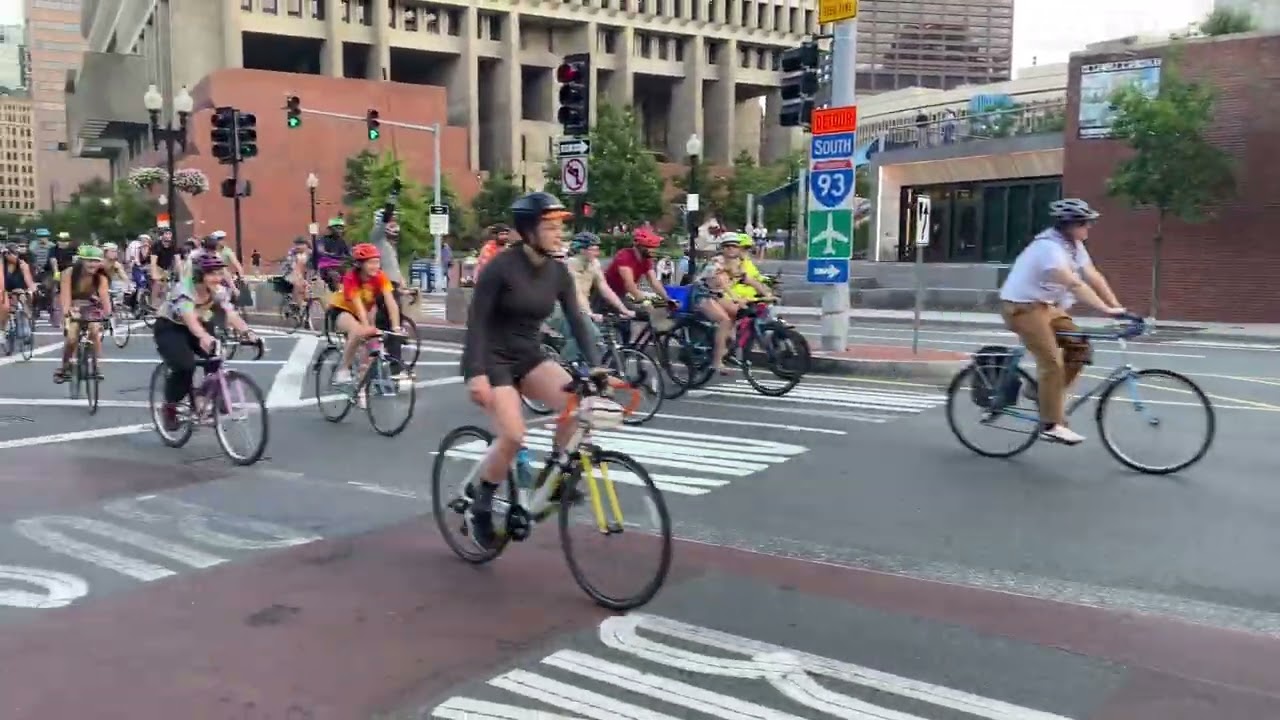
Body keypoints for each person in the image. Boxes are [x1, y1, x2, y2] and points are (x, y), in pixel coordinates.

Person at [462, 192, 605, 549]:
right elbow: (476, 322)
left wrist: (598, 367)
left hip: (528, 355)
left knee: (579, 401)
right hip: (493, 360)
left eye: (560, 227)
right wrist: (475, 373)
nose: (559, 234)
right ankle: (481, 505)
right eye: (550, 227)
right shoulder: (500, 268)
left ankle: (552, 479)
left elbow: (577, 318)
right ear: (528, 230)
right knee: (513, 435)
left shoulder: (557, 271)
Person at [998, 198, 1126, 446]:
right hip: (1021, 307)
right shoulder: (1048, 248)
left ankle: (1043, 394)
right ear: (1070, 225)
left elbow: (1093, 275)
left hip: (1046, 306)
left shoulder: (1074, 245)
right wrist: (1106, 310)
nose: (1089, 228)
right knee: (1052, 363)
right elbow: (1075, 284)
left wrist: (1117, 306)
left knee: (1080, 347)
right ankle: (1052, 424)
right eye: (1086, 223)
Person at [152, 253, 258, 431]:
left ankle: (206, 394)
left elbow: (230, 314)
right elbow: (189, 318)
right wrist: (203, 337)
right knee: (185, 366)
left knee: (216, 355)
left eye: (219, 273)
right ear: (199, 275)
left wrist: (249, 333)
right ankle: (169, 407)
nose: (218, 278)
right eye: (212, 274)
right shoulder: (184, 290)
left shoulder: (219, 290)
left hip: (199, 323)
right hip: (171, 326)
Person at [549, 231, 633, 363]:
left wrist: (623, 309)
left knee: (596, 336)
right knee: (588, 334)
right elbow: (577, 292)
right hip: (559, 308)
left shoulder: (594, 264)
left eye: (597, 250)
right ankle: (564, 367)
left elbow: (604, 288)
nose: (597, 253)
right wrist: (589, 313)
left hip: (578, 308)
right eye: (593, 250)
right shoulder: (569, 264)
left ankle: (584, 365)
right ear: (582, 250)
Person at [326, 242, 401, 387]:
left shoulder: (380, 276)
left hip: (364, 311)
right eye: (371, 263)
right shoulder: (351, 278)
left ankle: (362, 384)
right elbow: (359, 307)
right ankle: (343, 369)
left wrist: (396, 327)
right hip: (342, 310)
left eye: (377, 262)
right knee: (359, 331)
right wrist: (367, 329)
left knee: (373, 345)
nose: (375, 266)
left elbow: (390, 302)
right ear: (360, 264)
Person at [54, 245, 112, 384]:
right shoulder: (69, 272)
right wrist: (68, 312)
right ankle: (65, 366)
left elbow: (104, 298)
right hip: (72, 302)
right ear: (81, 261)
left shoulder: (101, 276)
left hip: (90, 303)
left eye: (96, 261)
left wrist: (108, 315)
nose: (92, 264)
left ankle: (97, 367)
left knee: (94, 330)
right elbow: (65, 295)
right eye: (89, 260)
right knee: (72, 337)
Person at [603, 226, 675, 307]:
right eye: (650, 247)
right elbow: (629, 285)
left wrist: (668, 300)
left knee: (649, 308)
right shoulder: (624, 256)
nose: (653, 251)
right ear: (640, 246)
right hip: (607, 294)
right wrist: (644, 301)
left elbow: (654, 282)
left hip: (622, 294)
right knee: (642, 312)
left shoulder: (646, 260)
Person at [0, 243, 37, 335]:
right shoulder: (1, 265)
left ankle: (27, 321)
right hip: (4, 290)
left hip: (19, 289)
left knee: (26, 298)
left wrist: (32, 290)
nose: (14, 256)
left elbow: (28, 280)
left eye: (16, 253)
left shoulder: (22, 264)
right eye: (11, 253)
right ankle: (2, 331)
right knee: (4, 307)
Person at [315, 217, 350, 290]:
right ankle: (338, 294)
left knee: (351, 275)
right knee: (335, 275)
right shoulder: (322, 239)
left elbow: (348, 253)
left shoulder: (342, 241)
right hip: (326, 267)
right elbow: (320, 250)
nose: (340, 230)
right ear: (330, 229)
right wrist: (327, 253)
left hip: (340, 265)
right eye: (337, 227)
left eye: (341, 228)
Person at [150, 229, 180, 305]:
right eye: (166, 234)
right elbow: (153, 262)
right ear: (162, 235)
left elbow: (177, 260)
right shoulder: (156, 245)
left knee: (166, 287)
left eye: (170, 234)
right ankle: (153, 303)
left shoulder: (173, 245)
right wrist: (154, 274)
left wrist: (180, 273)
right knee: (158, 283)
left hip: (167, 268)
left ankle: (163, 305)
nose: (168, 236)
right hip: (158, 266)